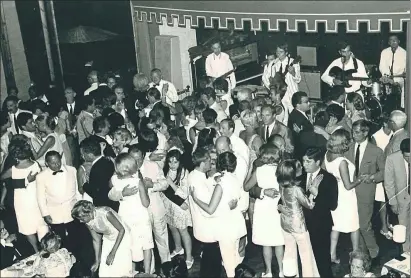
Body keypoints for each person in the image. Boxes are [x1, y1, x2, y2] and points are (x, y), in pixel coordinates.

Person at [190, 152, 246, 277]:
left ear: (220, 165)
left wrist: (196, 199)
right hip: (238, 224)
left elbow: (210, 209)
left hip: (226, 227)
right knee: (236, 259)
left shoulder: (221, 185)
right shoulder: (235, 178)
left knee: (228, 264)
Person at [345, 120, 384, 263]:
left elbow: (384, 172)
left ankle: (374, 253)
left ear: (365, 132)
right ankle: (361, 253)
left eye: (356, 132)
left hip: (365, 193)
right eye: (353, 132)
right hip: (349, 192)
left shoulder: (376, 151)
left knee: (364, 225)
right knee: (355, 224)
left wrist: (373, 177)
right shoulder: (348, 148)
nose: (353, 135)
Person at [0, 137, 48, 252]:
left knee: (27, 228)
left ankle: (37, 250)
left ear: (15, 156)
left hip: (22, 202)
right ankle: (46, 249)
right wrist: (25, 181)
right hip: (36, 199)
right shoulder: (36, 164)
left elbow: (1, 177)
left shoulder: (13, 170)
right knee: (41, 225)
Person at [108, 153, 153, 274]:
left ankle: (131, 271)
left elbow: (110, 194)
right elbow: (146, 203)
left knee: (129, 244)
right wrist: (146, 188)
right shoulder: (138, 181)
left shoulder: (114, 179)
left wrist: (122, 194)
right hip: (140, 217)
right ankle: (147, 272)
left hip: (125, 216)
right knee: (146, 245)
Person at [244, 144, 284, 277]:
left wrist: (250, 169)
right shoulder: (282, 169)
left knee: (266, 243)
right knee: (279, 241)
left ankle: (268, 271)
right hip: (278, 207)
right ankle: (282, 271)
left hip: (263, 208)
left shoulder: (259, 170)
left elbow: (246, 187)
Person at [277, 159, 320, 277]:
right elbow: (310, 205)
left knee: (289, 252)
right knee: (305, 254)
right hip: (298, 225)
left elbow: (282, 202)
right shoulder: (296, 189)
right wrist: (313, 192)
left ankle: (290, 274)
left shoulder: (281, 186)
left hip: (285, 223)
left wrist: (280, 206)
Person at [324, 129, 362, 264]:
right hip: (346, 197)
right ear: (344, 143)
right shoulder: (342, 162)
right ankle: (356, 255)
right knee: (355, 226)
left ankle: (332, 255)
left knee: (336, 226)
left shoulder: (327, 155)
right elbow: (348, 185)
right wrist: (359, 179)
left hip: (334, 195)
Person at [301, 148, 338, 277]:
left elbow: (333, 205)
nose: (304, 164)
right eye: (303, 161)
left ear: (317, 162)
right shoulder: (300, 176)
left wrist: (316, 194)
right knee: (305, 258)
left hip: (320, 225)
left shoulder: (329, 179)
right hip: (303, 224)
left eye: (308, 161)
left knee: (322, 259)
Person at [71, 200, 132, 277]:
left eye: (81, 218)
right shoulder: (88, 221)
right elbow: (96, 240)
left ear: (88, 213)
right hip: (108, 238)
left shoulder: (105, 213)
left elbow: (122, 230)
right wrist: (97, 261)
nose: (80, 221)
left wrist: (112, 253)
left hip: (122, 237)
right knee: (105, 270)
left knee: (120, 269)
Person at [36, 151, 80, 253]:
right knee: (59, 239)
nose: (56, 165)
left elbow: (77, 190)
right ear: (46, 163)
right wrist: (45, 214)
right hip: (54, 213)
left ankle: (76, 258)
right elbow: (40, 197)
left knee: (76, 237)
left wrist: (79, 207)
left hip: (72, 210)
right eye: (53, 163)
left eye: (58, 161)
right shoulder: (41, 176)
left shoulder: (72, 170)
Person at [187, 149, 222, 278]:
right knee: (212, 262)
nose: (211, 162)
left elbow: (206, 184)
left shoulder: (194, 175)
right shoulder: (198, 182)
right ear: (203, 163)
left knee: (208, 259)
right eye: (209, 160)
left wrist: (214, 179)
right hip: (207, 225)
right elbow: (208, 209)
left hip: (201, 225)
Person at [162, 150, 193, 268]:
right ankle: (178, 248)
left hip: (180, 206)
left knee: (183, 230)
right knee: (172, 227)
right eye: (170, 162)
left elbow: (184, 194)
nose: (172, 165)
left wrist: (170, 183)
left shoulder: (185, 173)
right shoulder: (166, 170)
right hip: (169, 205)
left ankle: (189, 257)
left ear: (180, 162)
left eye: (175, 162)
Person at [384, 138, 410, 252]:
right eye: (407, 157)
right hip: (401, 200)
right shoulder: (392, 159)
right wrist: (393, 202)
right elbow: (388, 183)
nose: (410, 159)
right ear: (401, 153)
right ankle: (406, 253)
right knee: (403, 227)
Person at [80, 137, 119, 211]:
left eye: (83, 154)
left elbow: (97, 193)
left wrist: (85, 185)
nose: (82, 156)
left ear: (90, 155)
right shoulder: (108, 161)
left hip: (105, 206)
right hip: (113, 202)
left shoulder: (96, 168)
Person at [371, 115, 393, 239]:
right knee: (383, 202)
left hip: (391, 172)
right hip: (381, 172)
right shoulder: (376, 136)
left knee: (389, 200)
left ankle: (388, 222)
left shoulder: (393, 134)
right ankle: (383, 227)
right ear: (384, 123)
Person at [262, 43, 301, 111]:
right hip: (279, 96)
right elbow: (265, 78)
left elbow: (298, 80)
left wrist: (293, 73)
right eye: (277, 52)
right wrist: (273, 90)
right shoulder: (273, 64)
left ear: (286, 52)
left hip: (291, 93)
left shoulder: (293, 62)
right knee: (282, 116)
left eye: (281, 52)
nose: (278, 54)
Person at [379, 35, 407, 108]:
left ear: (399, 41)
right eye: (391, 40)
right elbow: (382, 66)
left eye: (395, 40)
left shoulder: (404, 53)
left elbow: (406, 69)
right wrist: (386, 76)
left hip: (400, 78)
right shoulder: (384, 52)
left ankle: (402, 107)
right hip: (387, 77)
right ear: (389, 42)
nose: (394, 41)